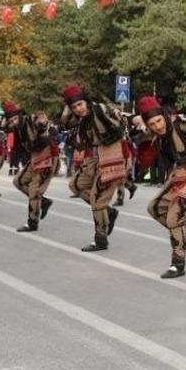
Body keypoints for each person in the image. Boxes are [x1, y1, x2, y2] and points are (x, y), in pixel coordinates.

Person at [134, 96, 186, 278]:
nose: (157, 126)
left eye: (158, 120)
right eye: (152, 123)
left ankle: (177, 263)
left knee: (174, 218)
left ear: (164, 115)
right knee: (154, 208)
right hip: (180, 175)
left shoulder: (178, 125)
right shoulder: (159, 137)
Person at [61, 84, 128, 252]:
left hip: (113, 156)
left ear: (87, 102)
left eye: (80, 104)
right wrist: (67, 107)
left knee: (97, 200)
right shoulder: (82, 119)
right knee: (75, 186)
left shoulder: (101, 109)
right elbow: (65, 123)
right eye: (74, 106)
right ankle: (109, 212)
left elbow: (123, 122)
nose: (78, 109)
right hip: (96, 158)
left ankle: (101, 239)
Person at [3, 101, 57, 232]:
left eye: (15, 118)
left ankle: (32, 222)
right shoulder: (17, 128)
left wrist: (43, 125)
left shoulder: (32, 120)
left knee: (34, 190)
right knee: (18, 181)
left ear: (21, 115)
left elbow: (48, 129)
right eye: (11, 120)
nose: (14, 122)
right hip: (34, 158)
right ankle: (43, 202)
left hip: (47, 156)